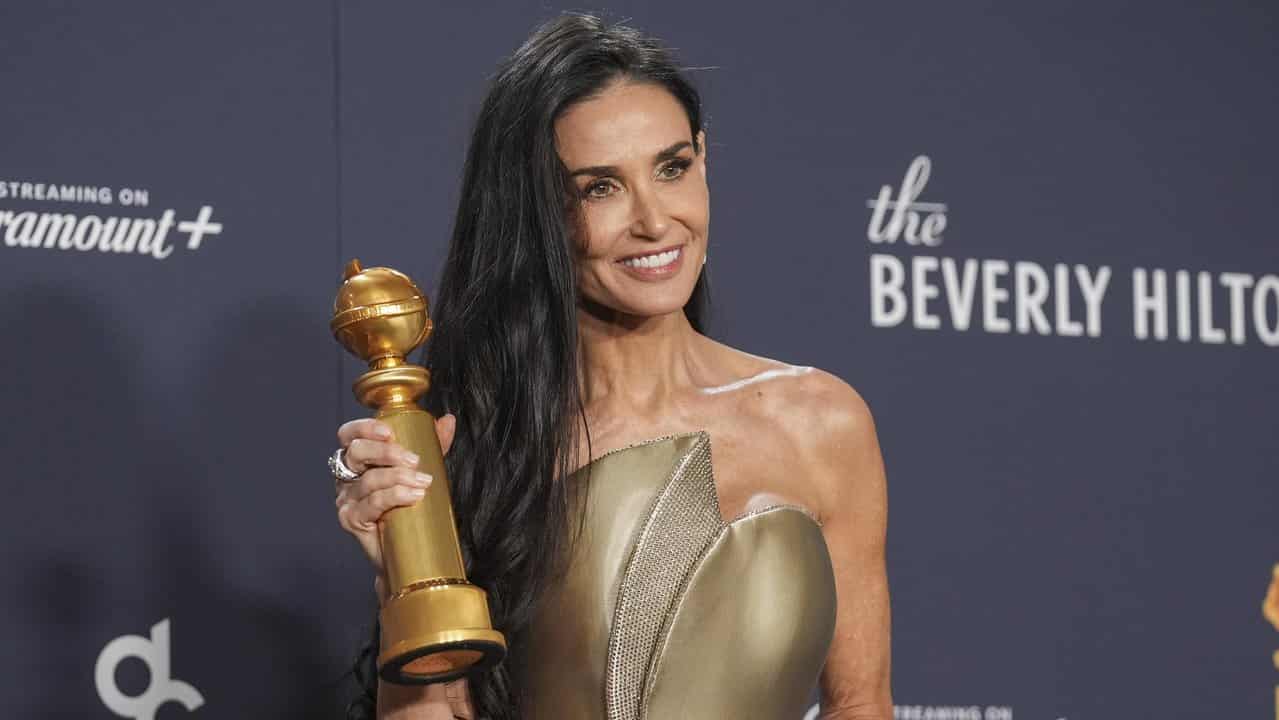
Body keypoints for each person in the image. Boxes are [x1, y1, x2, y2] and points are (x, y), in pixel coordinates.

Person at [331, 12, 891, 720]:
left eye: (672, 167)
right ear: (534, 211)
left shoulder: (821, 422)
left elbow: (860, 705)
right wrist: (399, 583)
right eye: (600, 188)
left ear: (704, 160)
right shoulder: (472, 447)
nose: (654, 221)